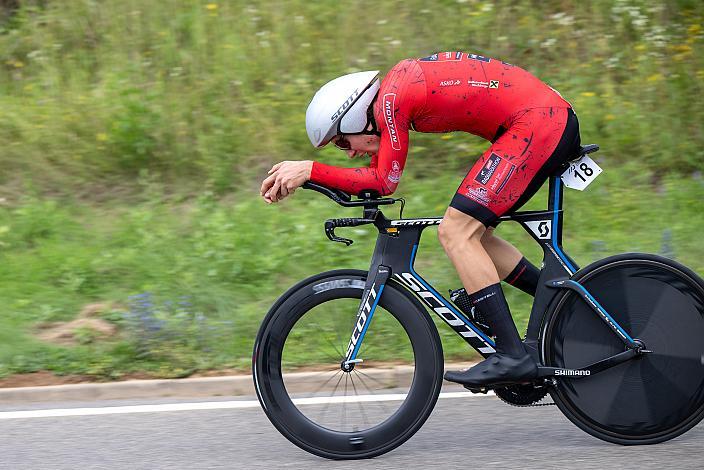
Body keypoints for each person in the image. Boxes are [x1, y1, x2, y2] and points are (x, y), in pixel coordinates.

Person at [260, 51, 581, 388]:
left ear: (356, 118)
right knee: (476, 235)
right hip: (541, 119)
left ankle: (512, 356)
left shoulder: (391, 103)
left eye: (342, 142)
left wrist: (311, 169)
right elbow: (371, 176)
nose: (350, 152)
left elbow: (384, 181)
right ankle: (561, 303)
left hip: (538, 122)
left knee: (457, 232)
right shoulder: (395, 93)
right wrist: (311, 177)